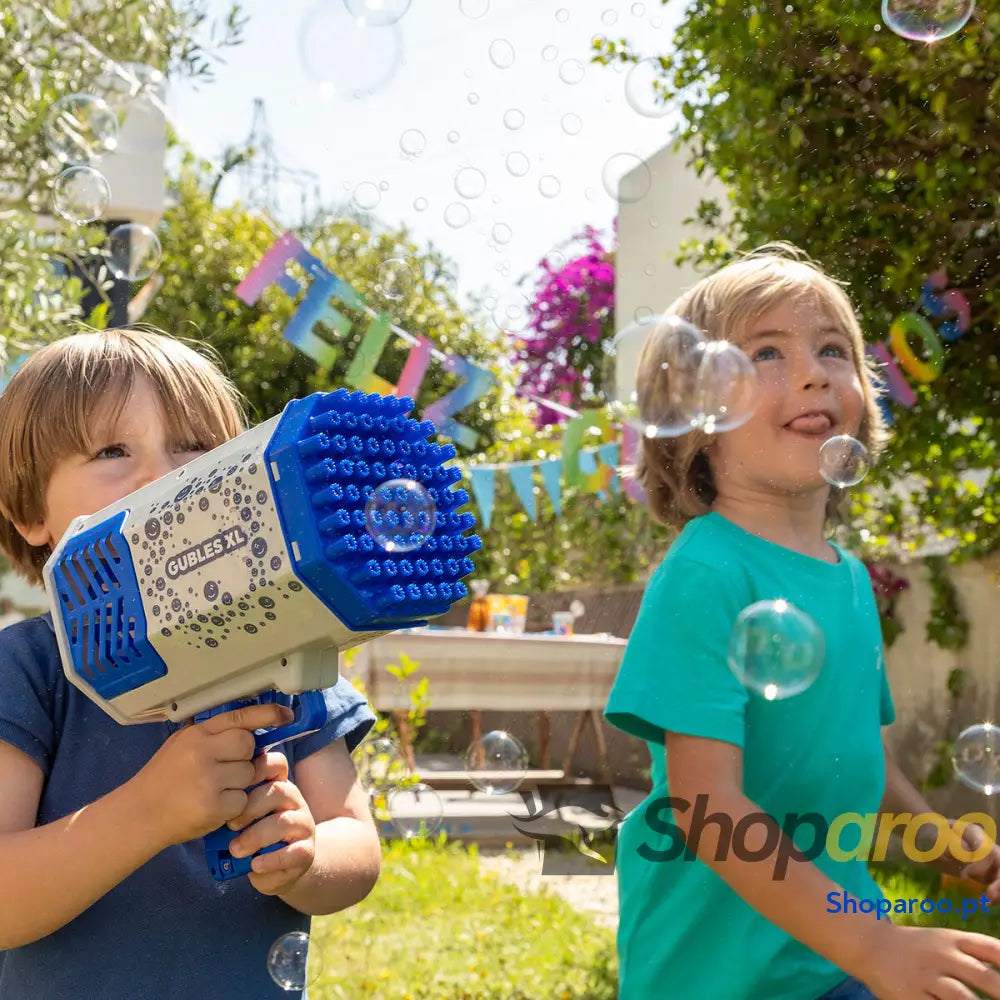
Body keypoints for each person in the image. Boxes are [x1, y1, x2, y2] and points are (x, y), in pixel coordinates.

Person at [605, 245, 1000, 1000]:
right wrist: (877, 945)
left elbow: (865, 767)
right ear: (694, 419)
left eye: (832, 350)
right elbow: (707, 808)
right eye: (766, 353)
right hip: (715, 978)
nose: (814, 373)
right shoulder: (707, 572)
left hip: (830, 961)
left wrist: (944, 846)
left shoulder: (848, 580)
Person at [0, 328, 381, 999]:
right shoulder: (29, 670)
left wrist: (308, 857)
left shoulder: (284, 651)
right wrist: (148, 812)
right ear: (30, 514)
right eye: (111, 451)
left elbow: (357, 843)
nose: (165, 478)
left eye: (196, 448)